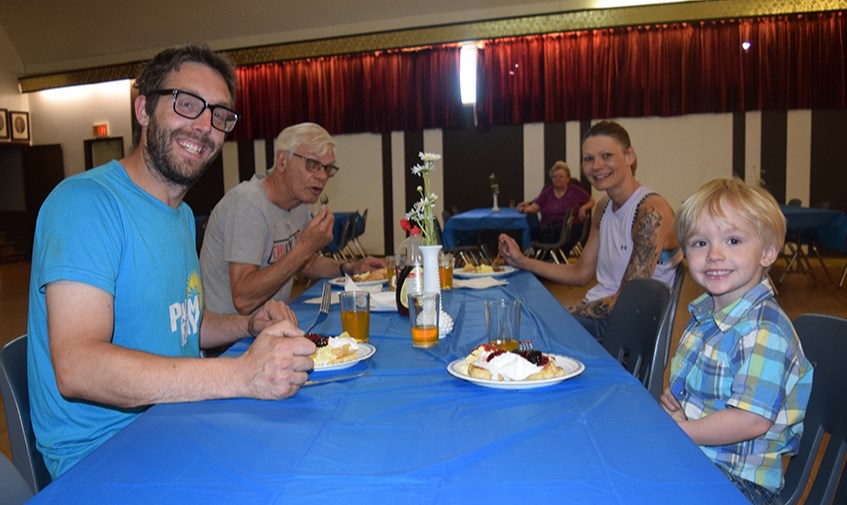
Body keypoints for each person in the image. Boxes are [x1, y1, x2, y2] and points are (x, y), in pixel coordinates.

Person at [27, 44, 317, 479]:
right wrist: (241, 375)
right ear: (143, 109)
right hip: (100, 458)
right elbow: (77, 367)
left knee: (302, 461)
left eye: (220, 114)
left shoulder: (179, 216)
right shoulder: (84, 204)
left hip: (175, 423)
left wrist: (249, 324)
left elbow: (183, 324)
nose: (204, 125)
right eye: (187, 103)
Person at [660, 178, 813, 504]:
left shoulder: (764, 331)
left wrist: (679, 432)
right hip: (701, 457)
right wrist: (676, 399)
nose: (714, 254)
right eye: (700, 243)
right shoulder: (705, 316)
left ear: (768, 252)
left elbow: (751, 419)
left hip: (741, 483)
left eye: (733, 240)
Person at [498, 121, 680, 340]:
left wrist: (559, 313)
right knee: (516, 324)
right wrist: (521, 261)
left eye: (606, 155)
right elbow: (581, 272)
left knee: (526, 330)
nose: (596, 166)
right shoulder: (603, 208)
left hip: (627, 329)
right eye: (588, 159)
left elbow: (629, 302)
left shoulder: (650, 211)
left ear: (630, 156)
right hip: (600, 316)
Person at [199, 122, 384, 316]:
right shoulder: (248, 204)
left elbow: (307, 262)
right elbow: (243, 299)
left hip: (271, 326)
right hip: (233, 340)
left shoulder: (298, 204)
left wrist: (349, 268)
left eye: (328, 168)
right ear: (281, 162)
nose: (322, 176)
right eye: (312, 164)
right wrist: (305, 246)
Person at [517, 161, 594, 254]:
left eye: (561, 176)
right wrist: (524, 209)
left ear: (568, 178)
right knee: (536, 232)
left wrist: (583, 208)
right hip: (549, 228)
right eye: (555, 177)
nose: (558, 179)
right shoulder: (547, 192)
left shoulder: (575, 190)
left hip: (570, 228)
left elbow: (591, 201)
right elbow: (535, 207)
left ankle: (554, 259)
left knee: (566, 234)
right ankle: (549, 260)